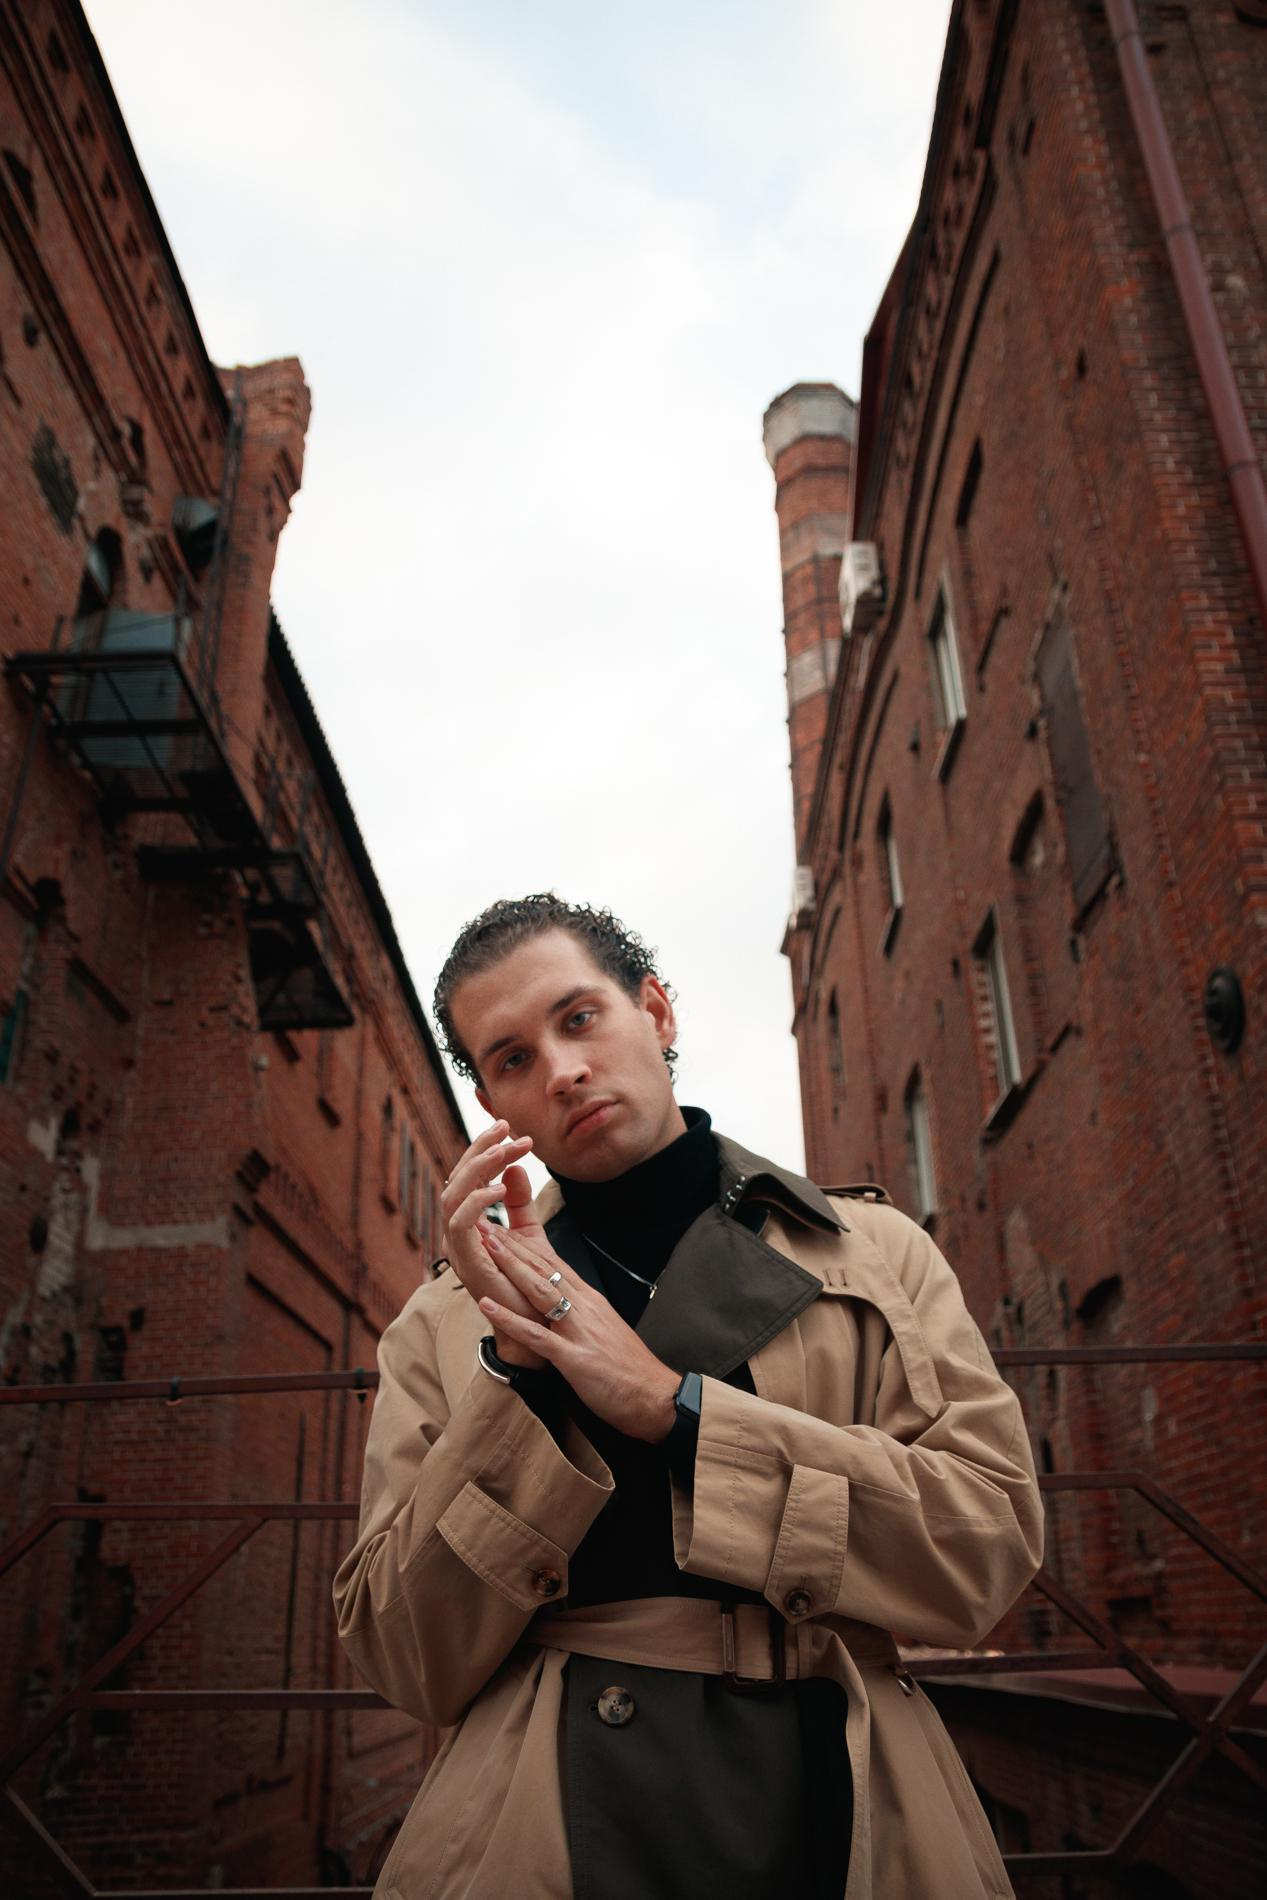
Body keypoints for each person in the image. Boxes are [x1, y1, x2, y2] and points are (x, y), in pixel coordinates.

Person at [333, 895, 1044, 1899]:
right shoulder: (444, 1324)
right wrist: (517, 1377)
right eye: (514, 1059)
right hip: (547, 1819)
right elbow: (406, 1659)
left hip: (842, 1792)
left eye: (579, 1018)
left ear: (656, 1012)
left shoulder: (875, 1254)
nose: (561, 1070)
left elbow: (985, 1549)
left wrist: (678, 1413)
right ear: (496, 1105)